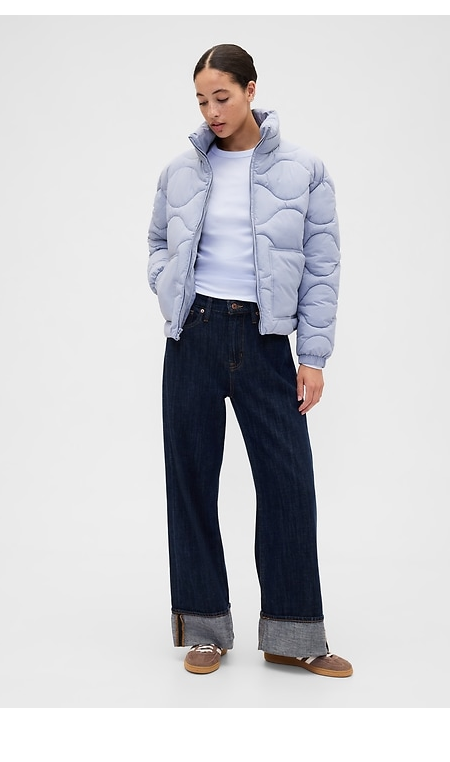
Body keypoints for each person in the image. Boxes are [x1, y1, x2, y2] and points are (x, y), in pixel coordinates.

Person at [146, 43, 351, 678]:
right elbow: (157, 243)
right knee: (191, 481)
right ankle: (205, 629)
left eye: (223, 97)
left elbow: (322, 266)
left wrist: (312, 355)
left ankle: (294, 635)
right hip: (194, 337)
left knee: (289, 484)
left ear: (251, 90)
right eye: (202, 101)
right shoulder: (180, 171)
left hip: (265, 341)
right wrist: (169, 291)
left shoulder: (305, 170)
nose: (212, 111)